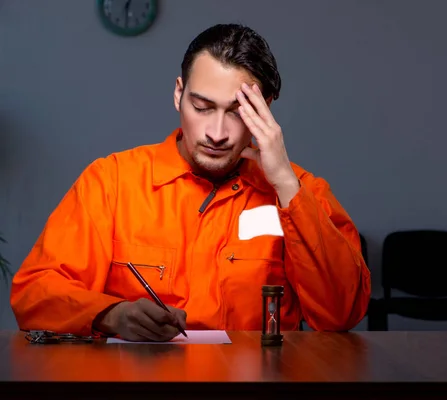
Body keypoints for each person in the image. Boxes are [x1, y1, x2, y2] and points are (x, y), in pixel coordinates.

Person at [10, 23, 371, 342]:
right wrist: (111, 315)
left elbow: (342, 314)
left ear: (266, 109)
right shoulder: (111, 182)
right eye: (202, 107)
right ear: (178, 94)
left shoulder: (302, 191)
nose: (217, 133)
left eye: (237, 112)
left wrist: (285, 185)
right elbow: (34, 294)